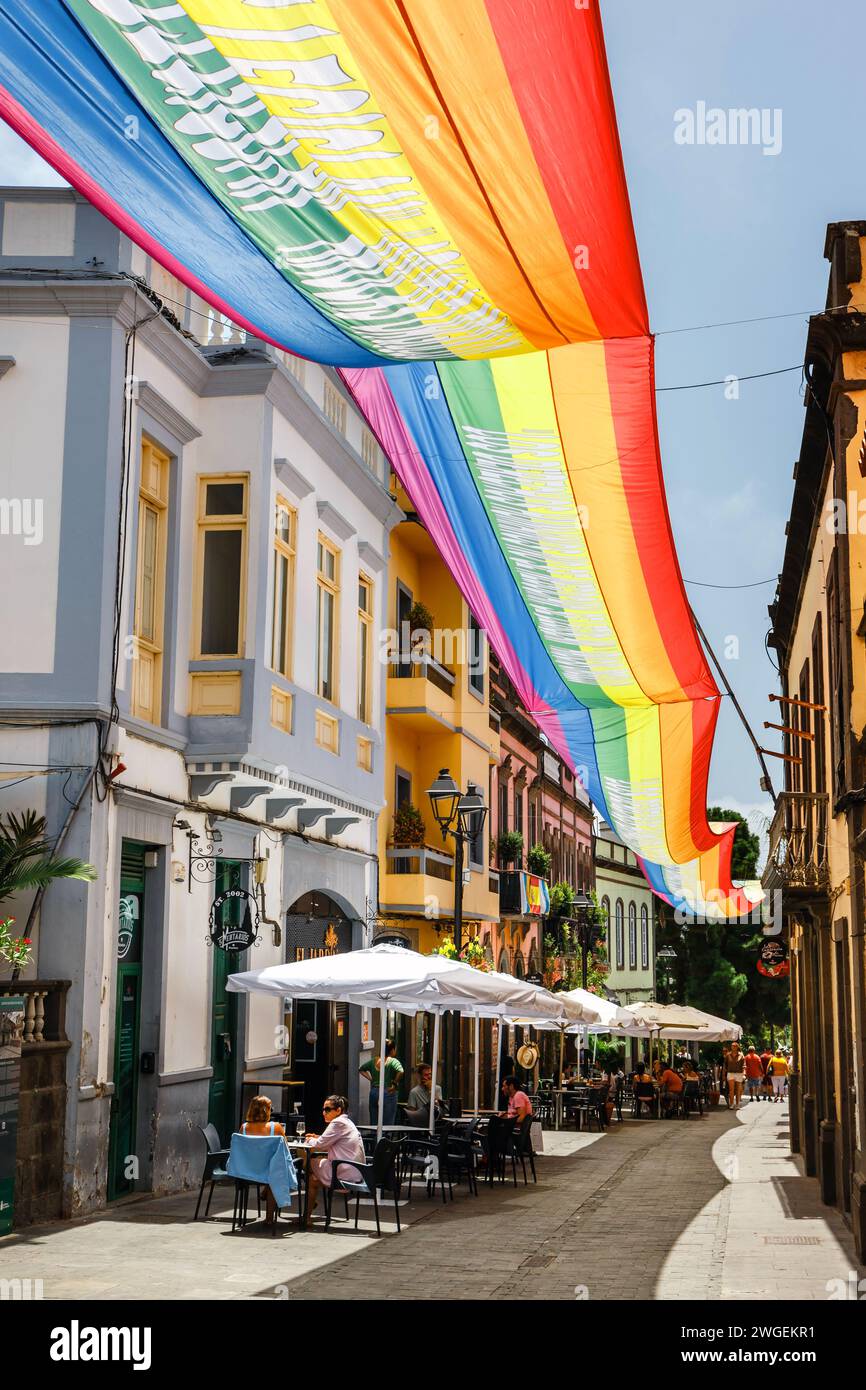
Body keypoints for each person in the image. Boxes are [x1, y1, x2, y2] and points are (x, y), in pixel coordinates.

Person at [303, 1095, 366, 1227]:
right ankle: (307, 1214)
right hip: (355, 1171)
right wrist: (319, 1137)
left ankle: (305, 1210)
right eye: (323, 1109)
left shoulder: (337, 1123)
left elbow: (320, 1145)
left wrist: (310, 1140)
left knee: (306, 1161)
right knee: (312, 1178)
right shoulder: (347, 1122)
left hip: (343, 1172)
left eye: (327, 1109)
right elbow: (329, 1141)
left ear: (338, 1110)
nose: (324, 1112)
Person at [237, 1094, 285, 1226]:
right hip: (268, 1171)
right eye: (271, 1108)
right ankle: (269, 1218)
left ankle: (265, 1190)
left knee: (271, 1174)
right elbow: (284, 1149)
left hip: (247, 1171)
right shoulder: (276, 1127)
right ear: (266, 1110)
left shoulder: (244, 1128)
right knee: (273, 1175)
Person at [359, 1038, 404, 1126]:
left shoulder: (374, 1060)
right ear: (392, 1050)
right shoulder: (393, 1061)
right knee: (388, 1122)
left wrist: (371, 1079)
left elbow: (361, 1069)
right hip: (388, 1092)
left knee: (374, 1121)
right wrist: (394, 1084)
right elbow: (401, 1071)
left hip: (374, 1092)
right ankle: (385, 1139)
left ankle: (374, 1138)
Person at [404, 1063, 443, 1128]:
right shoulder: (414, 1092)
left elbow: (440, 1108)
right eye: (426, 1075)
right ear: (420, 1076)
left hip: (436, 1122)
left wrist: (431, 1090)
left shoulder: (437, 1089)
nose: (429, 1077)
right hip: (421, 1123)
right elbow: (411, 1113)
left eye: (430, 1074)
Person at [726, 1042, 745, 1107]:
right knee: (731, 1090)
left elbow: (744, 1065)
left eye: (734, 1046)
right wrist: (723, 1074)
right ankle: (731, 1104)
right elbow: (725, 1065)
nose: (733, 1047)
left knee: (738, 1090)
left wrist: (744, 1074)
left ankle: (737, 1104)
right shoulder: (728, 1055)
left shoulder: (741, 1055)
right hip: (730, 1073)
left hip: (739, 1073)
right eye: (732, 1046)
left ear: (737, 1047)